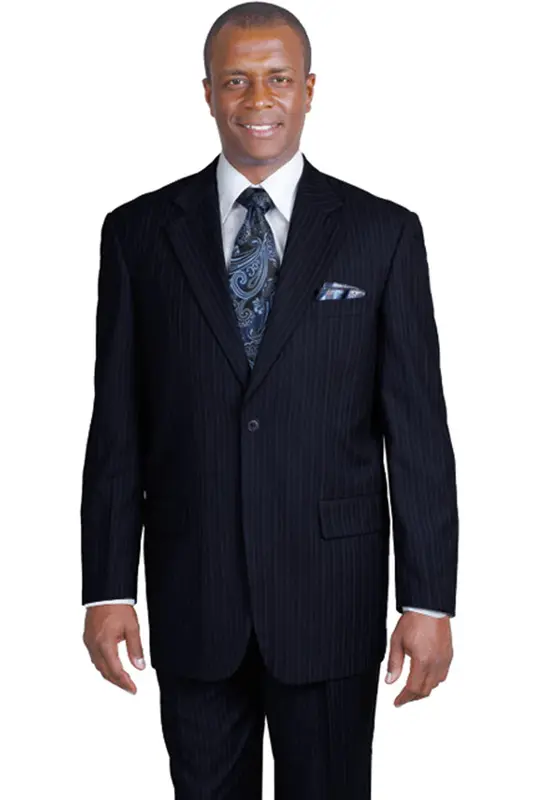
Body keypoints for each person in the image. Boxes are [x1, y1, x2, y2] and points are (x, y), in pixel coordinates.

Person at [81, 2, 459, 797]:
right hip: (193, 592)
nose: (258, 99)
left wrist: (427, 600)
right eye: (236, 81)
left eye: (278, 79)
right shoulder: (137, 234)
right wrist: (108, 586)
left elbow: (417, 431)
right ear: (208, 93)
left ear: (309, 89)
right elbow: (116, 426)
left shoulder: (382, 233)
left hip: (330, 596)